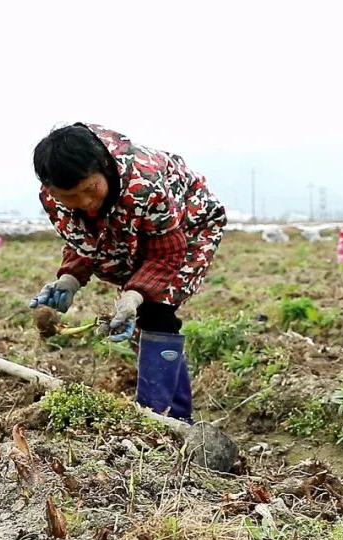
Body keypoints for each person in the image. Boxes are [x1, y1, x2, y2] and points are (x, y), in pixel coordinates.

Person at [29, 124, 226, 421]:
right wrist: (69, 278)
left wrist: (135, 295)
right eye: (70, 196)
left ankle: (167, 419)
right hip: (130, 232)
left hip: (188, 225)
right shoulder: (53, 199)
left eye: (89, 189)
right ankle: (163, 406)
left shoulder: (144, 186)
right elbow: (84, 240)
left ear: (104, 169)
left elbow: (166, 252)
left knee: (156, 310)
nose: (84, 202)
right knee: (137, 325)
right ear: (52, 190)